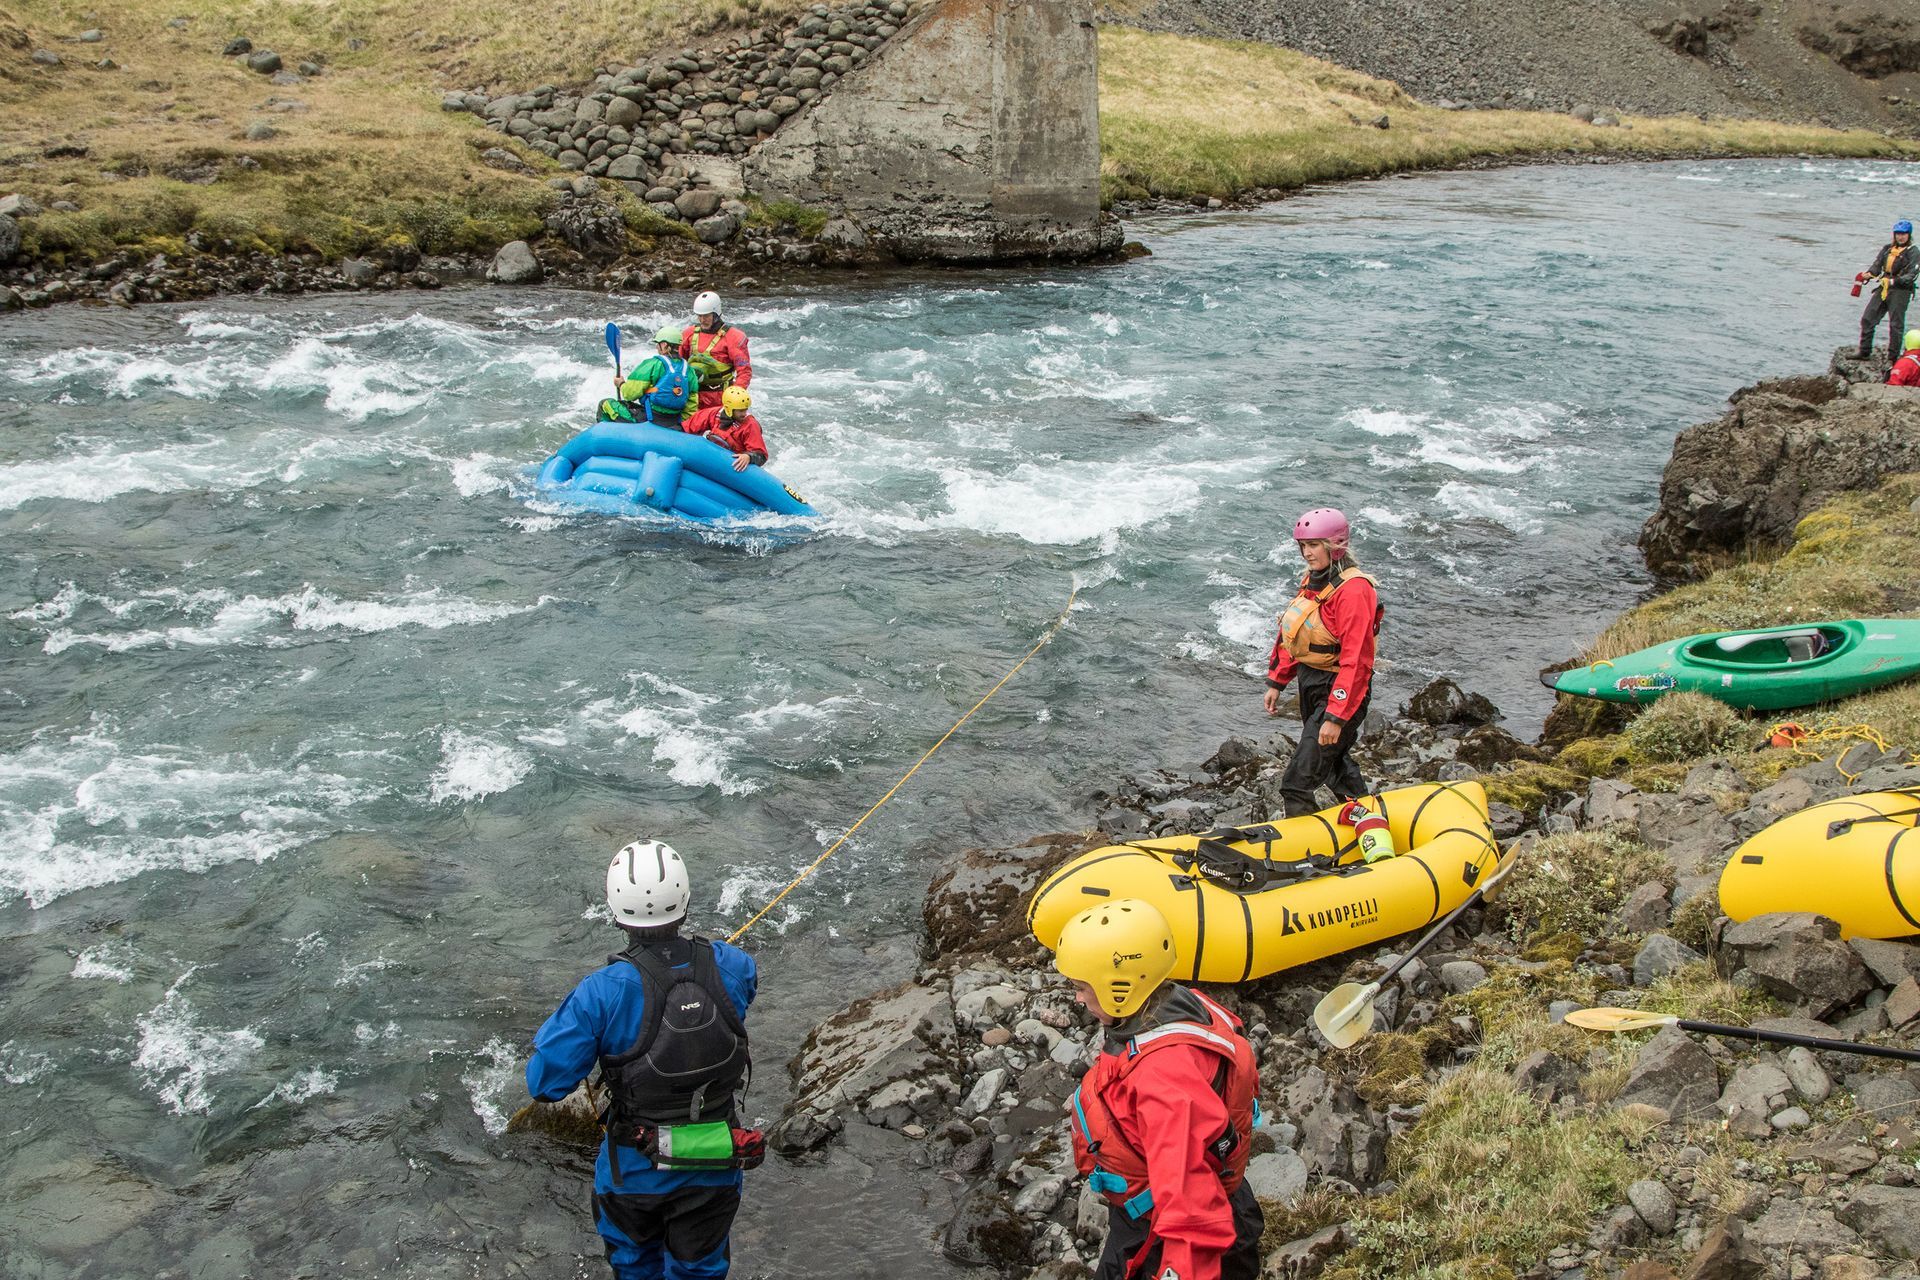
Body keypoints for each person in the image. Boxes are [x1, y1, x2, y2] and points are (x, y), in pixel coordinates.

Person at [527, 840, 759, 1280]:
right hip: (716, 1160)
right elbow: (743, 990)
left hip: (633, 1172)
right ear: (684, 899)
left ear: (616, 910)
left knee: (635, 1268)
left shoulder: (599, 992)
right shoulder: (733, 964)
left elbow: (544, 1084)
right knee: (700, 1269)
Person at [1054, 898, 1265, 1280]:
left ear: (1118, 988)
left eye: (1082, 987)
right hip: (1170, 1205)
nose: (1078, 998)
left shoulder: (1163, 1078)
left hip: (1161, 1232)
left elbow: (1192, 1208)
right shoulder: (1174, 1006)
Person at [1262, 508, 1382, 817]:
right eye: (1303, 545)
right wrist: (1277, 681)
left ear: (1335, 545)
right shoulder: (1313, 580)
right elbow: (1297, 631)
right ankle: (1368, 816)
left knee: (1297, 780)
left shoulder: (1354, 590)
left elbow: (1357, 661)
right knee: (1333, 762)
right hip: (1311, 681)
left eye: (1314, 545)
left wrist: (1336, 717)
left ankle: (1300, 840)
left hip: (1339, 689)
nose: (1307, 553)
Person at [598, 326, 701, 427]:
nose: (657, 347)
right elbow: (691, 405)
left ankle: (606, 435)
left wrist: (621, 384)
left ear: (664, 345)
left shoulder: (653, 364)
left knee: (605, 404)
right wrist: (678, 425)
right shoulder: (689, 370)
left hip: (649, 418)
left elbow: (630, 394)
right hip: (674, 421)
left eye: (658, 344)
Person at [681, 292, 752, 413]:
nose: (702, 320)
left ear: (716, 314)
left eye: (706, 316)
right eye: (699, 316)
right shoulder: (689, 334)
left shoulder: (733, 337)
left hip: (720, 398)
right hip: (694, 396)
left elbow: (744, 372)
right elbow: (678, 363)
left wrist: (733, 400)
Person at [1857, 220, 1917, 359]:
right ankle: (1864, 351)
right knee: (1868, 318)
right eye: (1898, 234)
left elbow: (1912, 275)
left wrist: (1893, 281)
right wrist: (1869, 274)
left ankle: (1893, 357)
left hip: (1901, 290)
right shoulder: (1887, 249)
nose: (1900, 237)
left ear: (1909, 235)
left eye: (1903, 234)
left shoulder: (1913, 252)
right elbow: (1877, 265)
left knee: (1896, 324)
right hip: (1884, 287)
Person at [682, 386, 768, 472]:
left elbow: (761, 455)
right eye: (740, 411)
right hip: (712, 454)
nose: (744, 414)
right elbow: (689, 426)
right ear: (729, 409)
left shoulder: (751, 425)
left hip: (733, 464)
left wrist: (749, 456)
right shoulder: (714, 414)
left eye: (745, 410)